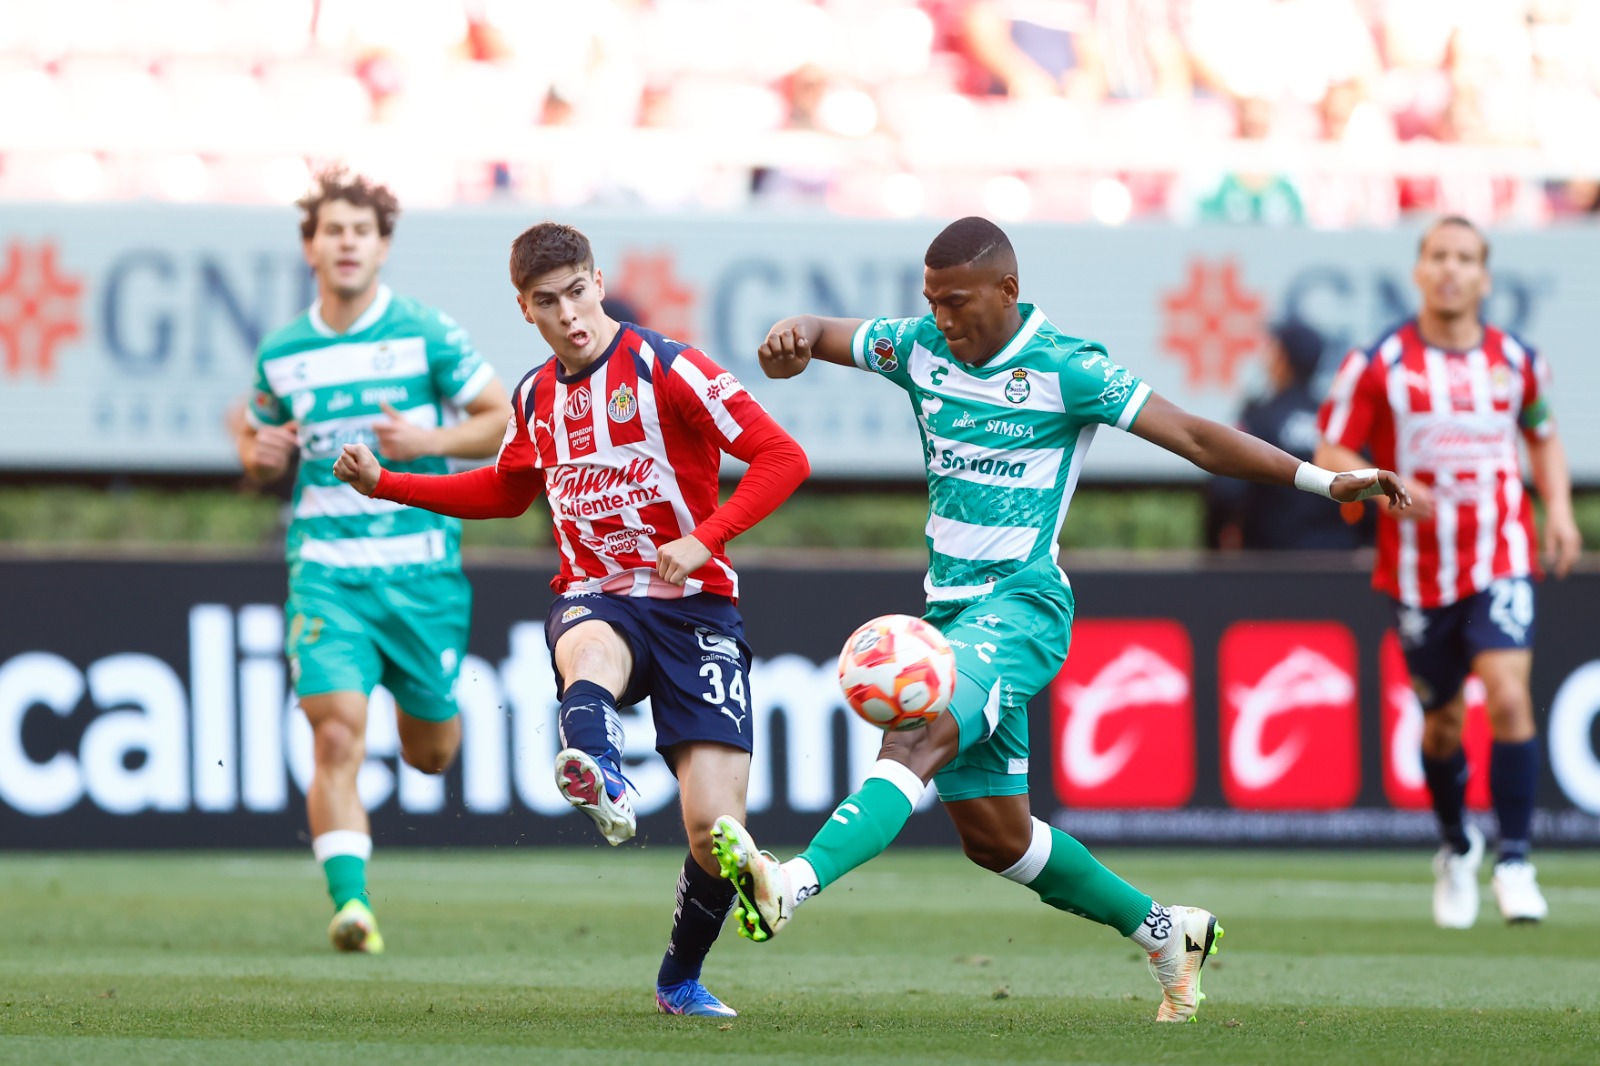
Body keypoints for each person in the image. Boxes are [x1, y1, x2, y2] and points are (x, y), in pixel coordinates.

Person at [709, 216, 1409, 1022]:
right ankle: (1164, 932)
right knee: (997, 839)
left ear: (1008, 291)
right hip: (950, 612)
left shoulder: (1065, 368)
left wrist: (1324, 483)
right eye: (932, 301)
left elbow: (1192, 435)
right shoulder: (920, 347)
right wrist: (792, 335)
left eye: (959, 302)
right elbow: (830, 334)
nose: (943, 318)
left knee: (914, 732)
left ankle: (789, 884)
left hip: (1023, 605)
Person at [331, 222, 810, 1016]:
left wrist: (704, 537)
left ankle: (679, 980)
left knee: (713, 834)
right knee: (589, 647)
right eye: (548, 303)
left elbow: (782, 456)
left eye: (579, 293)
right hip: (599, 590)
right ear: (526, 309)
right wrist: (390, 482)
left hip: (698, 609)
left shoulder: (669, 367)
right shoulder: (532, 396)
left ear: (596, 281)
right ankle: (600, 770)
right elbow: (508, 487)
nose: (570, 316)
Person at [235, 167, 510, 954]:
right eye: (333, 230)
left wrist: (428, 443)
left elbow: (500, 420)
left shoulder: (426, 332)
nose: (347, 242)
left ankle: (421, 720)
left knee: (431, 755)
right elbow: (261, 453)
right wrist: (258, 456)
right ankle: (351, 906)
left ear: (382, 246)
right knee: (335, 739)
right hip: (326, 572)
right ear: (310, 246)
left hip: (422, 576)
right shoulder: (283, 354)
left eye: (362, 230)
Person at [1315, 216, 1581, 928]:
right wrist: (1377, 479)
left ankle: (1517, 859)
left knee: (1509, 697)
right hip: (1417, 573)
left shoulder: (1518, 361)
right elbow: (1331, 448)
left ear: (1485, 277)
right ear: (1420, 271)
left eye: (1466, 258)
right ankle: (1455, 844)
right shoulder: (1379, 364)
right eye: (1439, 256)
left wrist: (1558, 510)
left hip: (1501, 556)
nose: (1452, 269)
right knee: (1442, 726)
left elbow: (1544, 438)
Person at [1206, 319, 1371, 550]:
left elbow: (1226, 491)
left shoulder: (1258, 417)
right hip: (1337, 562)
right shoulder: (1337, 420)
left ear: (1283, 358)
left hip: (1271, 564)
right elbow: (1370, 486)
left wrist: (1213, 546)